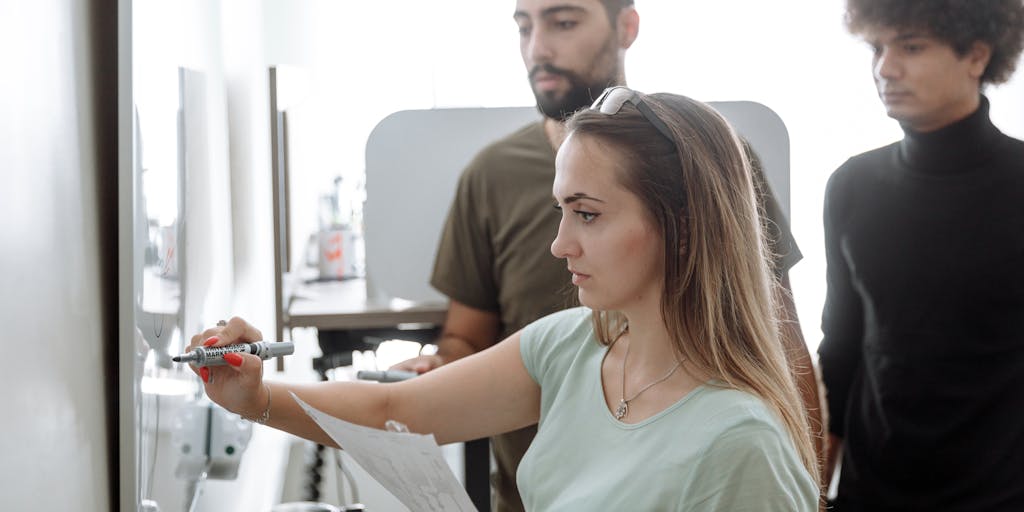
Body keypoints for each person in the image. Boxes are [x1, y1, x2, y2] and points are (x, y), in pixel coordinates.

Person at [191, 88, 820, 510]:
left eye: (588, 215)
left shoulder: (741, 445)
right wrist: (258, 395)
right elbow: (395, 406)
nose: (560, 244)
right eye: (561, 211)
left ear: (682, 225)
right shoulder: (572, 345)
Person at [393, 1, 825, 508]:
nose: (538, 48)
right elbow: (465, 337)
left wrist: (804, 489)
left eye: (564, 22)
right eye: (524, 27)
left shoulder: (701, 163)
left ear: (627, 25)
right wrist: (437, 370)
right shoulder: (492, 177)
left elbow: (781, 344)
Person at [818, 1, 1024, 509]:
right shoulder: (852, 185)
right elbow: (840, 349)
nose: (885, 68)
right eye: (877, 47)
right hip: (869, 493)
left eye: (910, 46)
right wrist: (815, 486)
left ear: (977, 55)